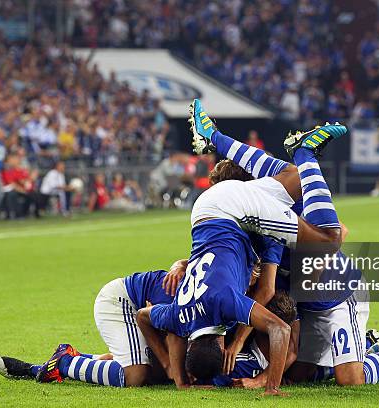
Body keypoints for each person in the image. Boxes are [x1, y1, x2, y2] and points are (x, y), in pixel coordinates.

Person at [193, 120, 379, 387]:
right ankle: (364, 346)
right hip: (305, 303)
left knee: (351, 380)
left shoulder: (272, 217)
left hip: (340, 295)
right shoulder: (236, 229)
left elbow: (339, 232)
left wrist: (239, 342)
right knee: (297, 375)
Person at [136, 99, 349, 396]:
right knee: (294, 177)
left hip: (230, 211)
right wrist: (178, 376)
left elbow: (276, 320)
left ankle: (303, 150)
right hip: (206, 209)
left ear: (220, 343)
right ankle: (214, 136)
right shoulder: (178, 317)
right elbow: (144, 316)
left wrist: (270, 386)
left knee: (329, 240)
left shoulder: (221, 303)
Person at [0, 268, 176, 387]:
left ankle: (39, 368)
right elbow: (156, 326)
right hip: (119, 302)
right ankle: (64, 361)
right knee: (136, 375)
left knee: (158, 372)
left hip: (140, 312)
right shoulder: (187, 294)